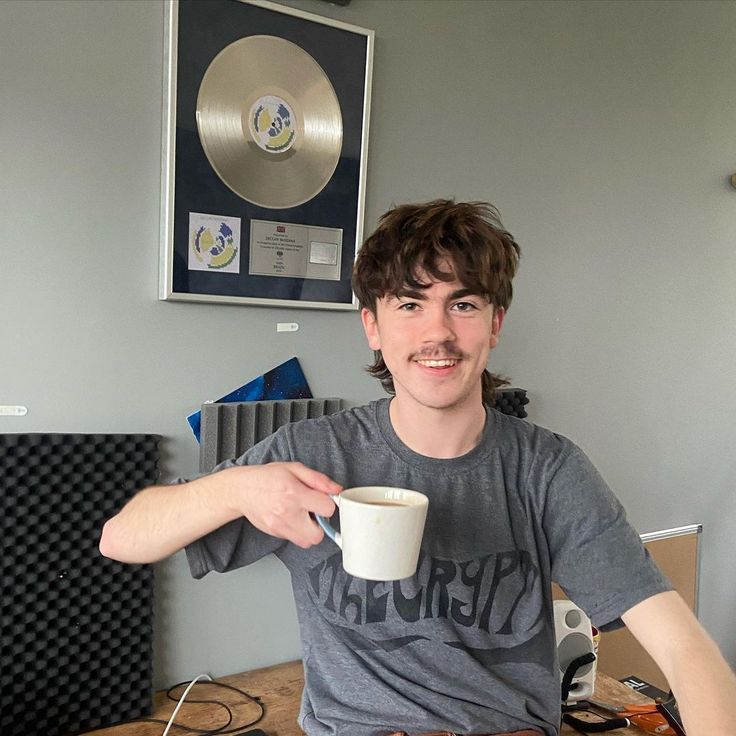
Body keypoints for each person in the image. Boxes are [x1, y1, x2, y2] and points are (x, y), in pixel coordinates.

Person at [100, 199, 736, 736]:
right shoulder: (312, 453)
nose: (438, 333)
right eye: (409, 305)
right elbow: (121, 538)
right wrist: (236, 487)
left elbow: (684, 649)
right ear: (372, 327)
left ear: (495, 324)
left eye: (462, 305)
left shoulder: (549, 470)